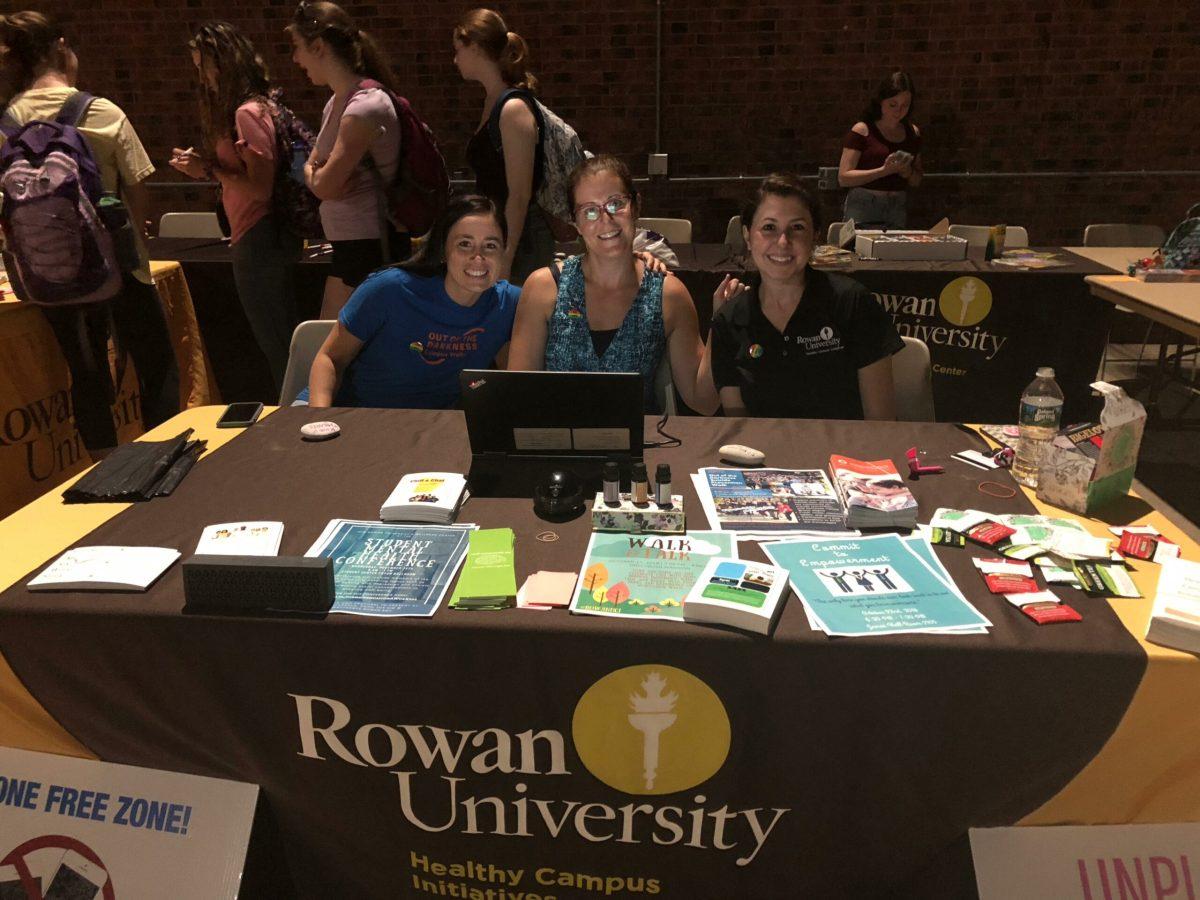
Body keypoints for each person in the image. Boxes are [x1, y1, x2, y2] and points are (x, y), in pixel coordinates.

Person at [0, 11, 179, 455]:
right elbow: (138, 191)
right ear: (61, 49)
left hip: (48, 274)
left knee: (86, 372)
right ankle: (164, 460)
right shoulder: (101, 112)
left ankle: (103, 470)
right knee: (156, 364)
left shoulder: (5, 124)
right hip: (119, 267)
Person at [506, 155, 719, 414]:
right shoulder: (545, 287)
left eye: (616, 204)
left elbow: (704, 402)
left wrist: (720, 324)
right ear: (576, 223)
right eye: (590, 211)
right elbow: (517, 397)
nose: (605, 219)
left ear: (636, 206)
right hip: (559, 446)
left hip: (639, 448)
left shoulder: (668, 294)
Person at [170, 21, 300, 393]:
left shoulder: (247, 112)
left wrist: (207, 168)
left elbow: (260, 188)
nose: (201, 76)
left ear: (223, 64)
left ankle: (296, 417)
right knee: (279, 339)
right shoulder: (254, 108)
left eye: (203, 66)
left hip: (259, 235)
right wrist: (208, 169)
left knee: (278, 343)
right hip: (258, 234)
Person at [710, 173, 903, 420]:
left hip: (845, 457)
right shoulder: (728, 320)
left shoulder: (853, 303)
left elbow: (881, 422)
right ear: (748, 236)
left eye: (797, 228)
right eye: (769, 228)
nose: (783, 241)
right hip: (765, 457)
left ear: (815, 236)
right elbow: (741, 429)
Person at [306, 195, 520, 409]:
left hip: (431, 428)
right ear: (443, 249)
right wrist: (320, 420)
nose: (478, 256)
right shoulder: (389, 288)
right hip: (352, 414)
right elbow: (330, 359)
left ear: (504, 251)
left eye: (490, 245)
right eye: (465, 244)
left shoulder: (510, 303)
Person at [288, 1, 404, 319]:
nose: (296, 59)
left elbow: (323, 183)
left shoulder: (364, 107)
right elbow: (313, 172)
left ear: (319, 46)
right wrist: (317, 175)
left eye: (298, 47)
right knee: (332, 348)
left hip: (369, 245)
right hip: (350, 245)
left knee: (342, 353)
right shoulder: (336, 103)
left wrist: (317, 175)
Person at [453, 9, 553, 285]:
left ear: (475, 47)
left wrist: (506, 258)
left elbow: (519, 195)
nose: (455, 58)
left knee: (521, 321)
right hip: (501, 233)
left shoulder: (513, 108)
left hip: (521, 240)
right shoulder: (493, 102)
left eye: (458, 49)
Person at [837, 71, 922, 230]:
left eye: (905, 105)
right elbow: (844, 177)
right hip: (864, 204)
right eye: (893, 104)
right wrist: (883, 171)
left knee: (893, 252)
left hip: (896, 204)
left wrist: (907, 172)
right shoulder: (863, 130)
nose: (899, 111)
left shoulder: (912, 133)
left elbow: (917, 180)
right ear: (881, 102)